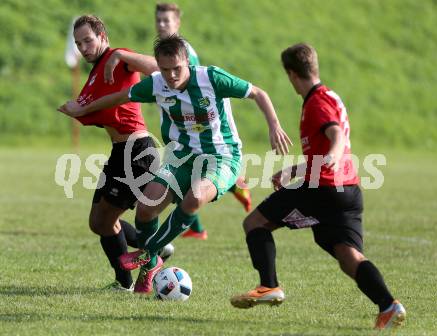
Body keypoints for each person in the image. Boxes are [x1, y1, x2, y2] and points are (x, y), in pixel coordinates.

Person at [58, 35, 292, 294]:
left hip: (222, 157)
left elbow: (258, 92)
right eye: (165, 69)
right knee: (146, 209)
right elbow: (119, 97)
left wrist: (274, 125)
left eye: (176, 69)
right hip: (181, 158)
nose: (170, 75)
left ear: (187, 63)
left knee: (194, 199)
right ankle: (150, 268)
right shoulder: (157, 84)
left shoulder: (211, 78)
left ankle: (148, 254)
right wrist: (83, 109)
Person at [230, 43, 406, 330]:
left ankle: (269, 286)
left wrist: (334, 155)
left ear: (290, 74)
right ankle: (388, 306)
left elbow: (334, 134)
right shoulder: (330, 96)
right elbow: (326, 148)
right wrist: (294, 170)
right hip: (348, 190)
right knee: (348, 256)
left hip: (322, 189)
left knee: (255, 222)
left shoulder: (316, 103)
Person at [57, 15, 161, 291]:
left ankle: (135, 270)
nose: (83, 47)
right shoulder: (95, 73)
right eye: (79, 43)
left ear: (103, 36)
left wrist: (123, 55)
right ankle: (151, 245)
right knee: (98, 222)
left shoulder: (118, 56)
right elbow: (92, 106)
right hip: (119, 153)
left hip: (137, 152)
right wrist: (75, 108)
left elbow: (157, 68)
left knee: (107, 221)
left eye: (88, 40)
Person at [154, 2, 252, 240]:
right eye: (158, 20)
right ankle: (197, 227)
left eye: (167, 20)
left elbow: (198, 90)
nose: (161, 25)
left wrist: (123, 57)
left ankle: (233, 184)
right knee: (183, 183)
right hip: (179, 125)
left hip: (195, 129)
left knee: (185, 183)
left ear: (178, 22)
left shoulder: (185, 53)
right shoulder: (165, 51)